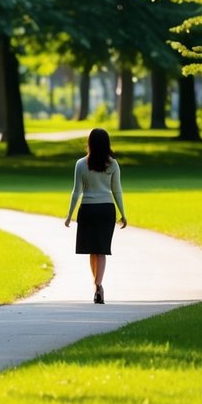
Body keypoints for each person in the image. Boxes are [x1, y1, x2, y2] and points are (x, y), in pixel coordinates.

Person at [64, 127, 127, 304]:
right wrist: (123, 213)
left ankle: (96, 285)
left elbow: (76, 191)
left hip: (88, 209)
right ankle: (98, 285)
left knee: (93, 249)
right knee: (101, 250)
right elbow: (117, 190)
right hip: (106, 209)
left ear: (90, 143)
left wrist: (69, 215)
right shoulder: (112, 164)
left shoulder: (81, 164)